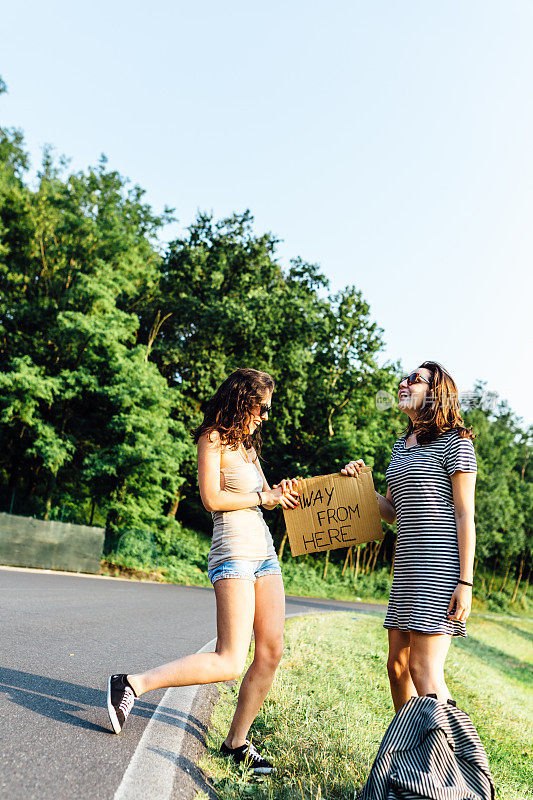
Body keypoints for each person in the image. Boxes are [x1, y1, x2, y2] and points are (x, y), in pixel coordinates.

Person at [107, 368, 299, 773]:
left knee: (271, 650)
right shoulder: (212, 438)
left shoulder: (248, 445)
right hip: (232, 549)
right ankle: (133, 683)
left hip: (264, 551)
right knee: (230, 659)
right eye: (261, 408)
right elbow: (212, 499)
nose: (265, 416)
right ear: (241, 400)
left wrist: (279, 495)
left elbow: (261, 499)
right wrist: (261, 495)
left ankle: (236, 742)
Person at [341, 361, 477, 712]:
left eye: (415, 379)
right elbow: (392, 511)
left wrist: (466, 582)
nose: (404, 383)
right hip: (406, 568)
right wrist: (362, 487)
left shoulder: (456, 442)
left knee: (424, 670)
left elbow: (465, 515)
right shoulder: (402, 444)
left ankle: (450, 758)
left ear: (436, 394)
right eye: (405, 377)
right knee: (398, 667)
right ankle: (407, 753)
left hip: (440, 567)